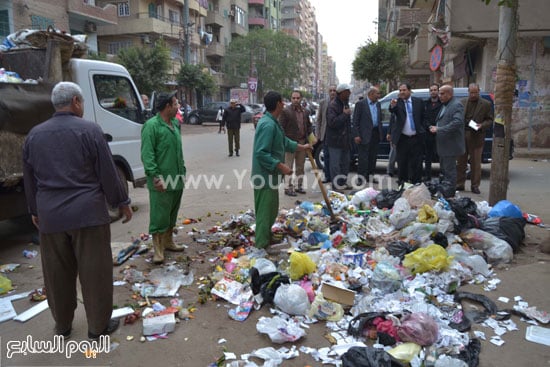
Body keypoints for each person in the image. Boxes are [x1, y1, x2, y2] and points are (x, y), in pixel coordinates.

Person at [22, 81, 133, 340]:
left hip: (51, 217)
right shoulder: (91, 131)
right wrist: (122, 202)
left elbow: (30, 179)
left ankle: (62, 326)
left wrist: (34, 210)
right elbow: (107, 172)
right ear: (75, 102)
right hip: (88, 215)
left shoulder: (34, 135)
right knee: (95, 274)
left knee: (57, 275)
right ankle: (97, 327)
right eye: (81, 102)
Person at [251, 91, 310, 251]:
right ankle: (261, 245)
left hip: (270, 177)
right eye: (282, 102)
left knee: (271, 210)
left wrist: (301, 147)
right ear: (277, 104)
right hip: (264, 177)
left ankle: (266, 237)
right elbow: (261, 152)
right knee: (265, 212)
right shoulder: (268, 125)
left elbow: (283, 141)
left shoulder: (273, 122)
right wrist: (281, 166)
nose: (284, 104)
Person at [141, 91, 187, 264]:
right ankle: (158, 249)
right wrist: (155, 177)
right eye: (175, 104)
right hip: (161, 180)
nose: (178, 107)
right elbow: (148, 155)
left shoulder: (174, 123)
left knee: (171, 213)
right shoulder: (151, 126)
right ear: (167, 106)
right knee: (159, 215)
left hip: (177, 178)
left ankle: (168, 241)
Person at [457, 83, 494, 194]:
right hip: (463, 134)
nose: (473, 95)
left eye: (475, 92)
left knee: (475, 163)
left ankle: (475, 185)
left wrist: (481, 125)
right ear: (468, 92)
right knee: (461, 162)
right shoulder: (462, 102)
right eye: (471, 92)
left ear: (479, 92)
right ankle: (459, 184)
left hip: (477, 136)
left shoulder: (486, 104)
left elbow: (490, 120)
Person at [388, 83, 425, 185]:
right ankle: (402, 184)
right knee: (402, 162)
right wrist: (393, 105)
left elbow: (423, 117)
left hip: (416, 138)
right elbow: (392, 111)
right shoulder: (397, 103)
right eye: (400, 90)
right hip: (402, 139)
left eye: (404, 90)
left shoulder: (418, 102)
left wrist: (422, 130)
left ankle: (416, 184)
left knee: (417, 163)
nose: (402, 92)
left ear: (409, 90)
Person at [429, 85, 465, 190]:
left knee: (450, 171)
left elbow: (457, 122)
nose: (439, 96)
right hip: (443, 145)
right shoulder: (446, 104)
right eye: (439, 93)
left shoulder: (456, 105)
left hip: (450, 145)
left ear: (450, 94)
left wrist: (439, 129)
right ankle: (445, 191)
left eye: (442, 93)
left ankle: (450, 192)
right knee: (444, 171)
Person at [279, 90, 312, 196]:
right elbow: (281, 128)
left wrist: (311, 139)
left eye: (298, 98)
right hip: (290, 143)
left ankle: (299, 186)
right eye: (293, 98)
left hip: (302, 142)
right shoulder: (285, 111)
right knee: (288, 166)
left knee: (300, 166)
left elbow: (309, 126)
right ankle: (288, 188)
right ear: (291, 99)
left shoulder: (305, 111)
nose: (296, 100)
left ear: (301, 98)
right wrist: (284, 142)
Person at [352, 86, 383, 185]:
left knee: (373, 157)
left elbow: (380, 119)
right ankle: (361, 178)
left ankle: (370, 176)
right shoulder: (361, 104)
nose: (379, 96)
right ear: (371, 94)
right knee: (363, 158)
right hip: (363, 134)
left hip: (375, 133)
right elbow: (355, 121)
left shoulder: (378, 104)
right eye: (377, 94)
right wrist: (356, 135)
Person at [326, 83, 353, 191]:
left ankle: (343, 183)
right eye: (348, 92)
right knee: (335, 165)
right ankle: (336, 185)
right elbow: (332, 122)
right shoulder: (333, 105)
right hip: (335, 141)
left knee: (345, 164)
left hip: (345, 141)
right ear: (342, 92)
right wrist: (344, 115)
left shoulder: (345, 103)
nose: (349, 93)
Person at [315, 85, 337, 183]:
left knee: (335, 158)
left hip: (336, 135)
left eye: (334, 90)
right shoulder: (323, 103)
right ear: (328, 92)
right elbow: (319, 119)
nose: (332, 92)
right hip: (325, 134)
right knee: (326, 156)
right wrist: (317, 133)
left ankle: (335, 177)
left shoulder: (339, 102)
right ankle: (327, 176)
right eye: (331, 90)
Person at [422, 83, 443, 180]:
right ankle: (427, 176)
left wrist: (437, 127)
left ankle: (442, 176)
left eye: (435, 90)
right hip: (428, 133)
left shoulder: (443, 103)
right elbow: (423, 117)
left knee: (441, 156)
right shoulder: (425, 104)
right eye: (431, 90)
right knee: (428, 157)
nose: (433, 92)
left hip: (440, 132)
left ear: (438, 91)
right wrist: (429, 126)